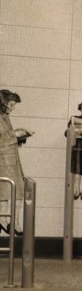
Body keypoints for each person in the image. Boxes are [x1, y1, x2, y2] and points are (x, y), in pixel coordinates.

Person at [0, 89, 31, 235]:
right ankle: (5, 221)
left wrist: (21, 136)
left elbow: (7, 138)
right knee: (5, 193)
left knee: (18, 192)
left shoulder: (5, 117)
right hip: (3, 161)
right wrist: (15, 134)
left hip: (11, 159)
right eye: (11, 104)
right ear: (3, 103)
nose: (13, 108)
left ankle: (13, 222)